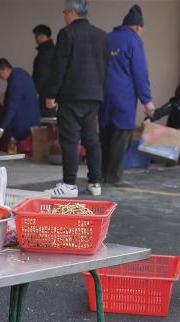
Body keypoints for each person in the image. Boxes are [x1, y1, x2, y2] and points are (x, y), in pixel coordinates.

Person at [44, 0, 110, 198]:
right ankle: (95, 182)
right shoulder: (102, 36)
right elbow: (106, 67)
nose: (64, 15)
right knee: (92, 139)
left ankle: (69, 184)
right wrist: (99, 91)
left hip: (71, 96)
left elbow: (60, 67)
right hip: (94, 95)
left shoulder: (67, 33)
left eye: (65, 12)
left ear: (72, 12)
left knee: (70, 140)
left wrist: (51, 94)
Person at [100, 5, 155, 186]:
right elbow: (140, 72)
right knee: (121, 135)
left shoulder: (107, 38)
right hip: (123, 96)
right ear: (138, 27)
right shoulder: (134, 41)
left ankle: (101, 174)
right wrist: (146, 100)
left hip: (103, 95)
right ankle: (113, 176)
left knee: (105, 133)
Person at [0, 59, 40, 144]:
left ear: (6, 70)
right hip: (32, 117)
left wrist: (1, 129)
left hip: (24, 121)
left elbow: (12, 106)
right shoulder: (19, 73)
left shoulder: (16, 82)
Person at [32, 24, 56, 118]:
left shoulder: (45, 52)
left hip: (45, 94)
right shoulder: (52, 50)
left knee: (45, 122)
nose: (35, 38)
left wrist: (35, 92)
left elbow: (42, 74)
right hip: (50, 93)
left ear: (42, 36)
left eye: (36, 36)